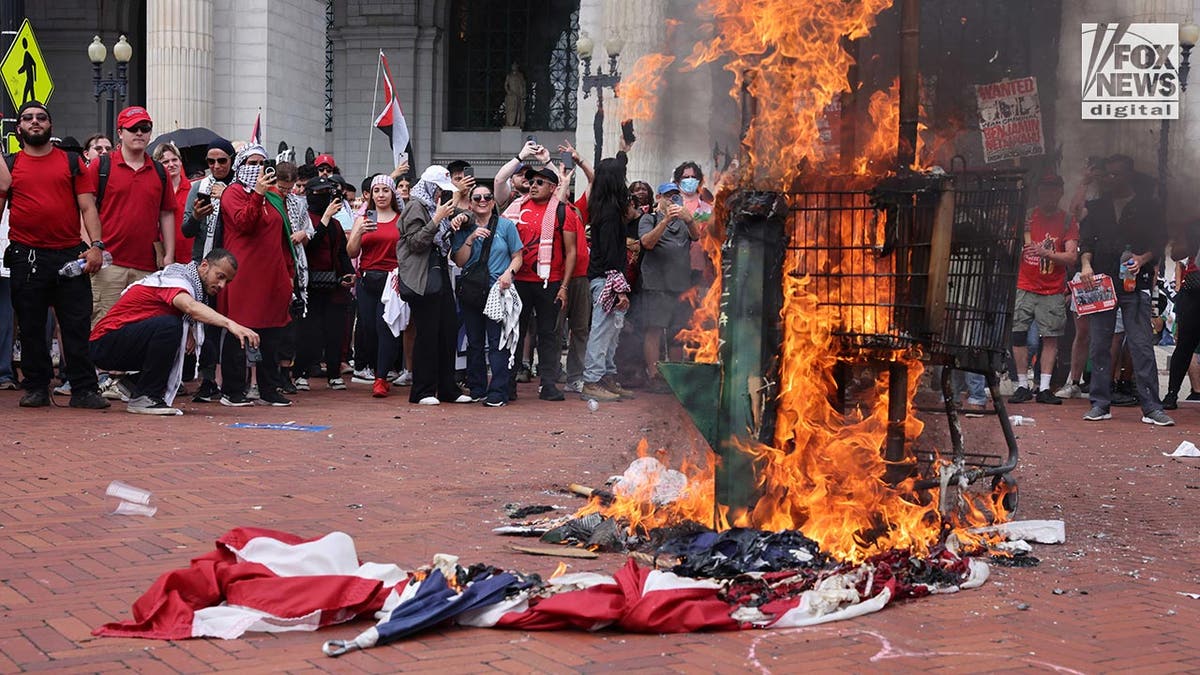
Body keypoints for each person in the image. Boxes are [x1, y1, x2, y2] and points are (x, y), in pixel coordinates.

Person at [1, 100, 108, 409]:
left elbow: (88, 207)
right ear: (19, 128)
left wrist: (97, 246)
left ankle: (84, 389)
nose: (35, 122)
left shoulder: (72, 162)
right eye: (28, 118)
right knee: (33, 327)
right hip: (26, 257)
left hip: (69, 256)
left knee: (76, 326)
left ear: (50, 126)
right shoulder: (9, 165)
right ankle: (35, 387)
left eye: (42, 118)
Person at [89, 249, 258, 415]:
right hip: (105, 342)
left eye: (227, 282)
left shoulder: (195, 286)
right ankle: (146, 396)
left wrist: (190, 331)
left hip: (131, 340)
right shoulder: (178, 277)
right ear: (204, 265)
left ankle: (130, 384)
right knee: (170, 326)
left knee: (204, 352)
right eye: (220, 276)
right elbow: (190, 307)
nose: (221, 285)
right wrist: (230, 324)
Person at [1078, 155, 1173, 425]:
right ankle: (1100, 403)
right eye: (1107, 175)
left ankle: (1152, 407)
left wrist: (1142, 260)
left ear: (1129, 175)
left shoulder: (1148, 207)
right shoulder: (1097, 208)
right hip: (1102, 283)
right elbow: (1086, 243)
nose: (1111, 179)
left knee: (1142, 345)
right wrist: (1086, 265)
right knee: (1099, 344)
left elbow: (1158, 241)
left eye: (1116, 174)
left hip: (1136, 283)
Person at [216, 144, 295, 407]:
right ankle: (233, 390)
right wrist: (257, 194)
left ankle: (269, 388)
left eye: (262, 163)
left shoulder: (274, 196)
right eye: (251, 163)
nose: (258, 168)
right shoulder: (233, 193)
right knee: (239, 331)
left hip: (273, 275)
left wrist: (289, 272)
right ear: (240, 165)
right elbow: (244, 223)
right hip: (244, 275)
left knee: (272, 334)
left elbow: (283, 235)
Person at [88, 106, 176, 327]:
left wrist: (169, 256)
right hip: (107, 263)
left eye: (144, 128)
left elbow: (166, 214)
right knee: (105, 329)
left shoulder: (159, 171)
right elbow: (85, 209)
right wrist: (91, 247)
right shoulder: (102, 165)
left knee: (141, 329)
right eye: (133, 128)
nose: (139, 133)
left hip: (147, 267)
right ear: (120, 132)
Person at [398, 166, 473, 405]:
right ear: (431, 187)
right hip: (421, 277)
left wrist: (456, 219)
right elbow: (415, 242)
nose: (443, 194)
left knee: (447, 329)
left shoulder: (433, 206)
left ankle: (447, 387)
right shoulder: (416, 206)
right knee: (428, 333)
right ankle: (422, 389)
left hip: (438, 271)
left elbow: (464, 217)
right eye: (440, 189)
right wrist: (438, 219)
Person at [1008, 174, 1078, 406]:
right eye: (1045, 189)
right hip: (1025, 285)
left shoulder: (1067, 220)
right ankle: (1021, 385)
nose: (1049, 194)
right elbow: (1009, 245)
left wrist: (1047, 253)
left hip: (1052, 289)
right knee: (1018, 334)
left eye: (1054, 190)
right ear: (1039, 192)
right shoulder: (1026, 217)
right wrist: (1018, 248)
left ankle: (1045, 387)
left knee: (1051, 337)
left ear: (1060, 192)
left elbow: (1071, 256)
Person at [510, 165, 579, 401]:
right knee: (515, 333)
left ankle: (548, 384)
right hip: (518, 280)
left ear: (552, 188)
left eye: (540, 182)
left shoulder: (563, 212)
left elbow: (571, 252)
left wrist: (564, 287)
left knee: (548, 334)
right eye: (532, 182)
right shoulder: (517, 208)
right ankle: (508, 382)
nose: (534, 186)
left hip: (550, 281)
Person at [452, 184, 523, 406]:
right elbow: (460, 261)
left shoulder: (506, 226)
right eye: (477, 197)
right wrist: (471, 238)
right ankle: (477, 387)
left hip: (497, 292)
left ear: (493, 202)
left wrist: (509, 274)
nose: (482, 200)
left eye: (487, 197)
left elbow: (518, 256)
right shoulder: (463, 228)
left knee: (497, 342)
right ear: (470, 203)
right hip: (472, 292)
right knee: (474, 342)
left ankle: (498, 392)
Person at [182, 137, 236, 402]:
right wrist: (196, 216)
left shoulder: (240, 186)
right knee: (207, 322)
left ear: (232, 160)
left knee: (234, 319)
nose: (216, 166)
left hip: (236, 264)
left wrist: (227, 199)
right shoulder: (199, 187)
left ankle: (234, 378)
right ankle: (207, 379)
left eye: (222, 161)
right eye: (211, 161)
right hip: (205, 263)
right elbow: (186, 229)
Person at [580, 156, 635, 402]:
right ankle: (592, 380)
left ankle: (606, 376)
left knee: (611, 332)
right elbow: (612, 254)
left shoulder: (603, 207)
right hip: (607, 280)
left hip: (605, 278)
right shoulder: (611, 212)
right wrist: (620, 289)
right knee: (603, 331)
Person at [295, 176, 354, 391]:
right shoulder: (305, 219)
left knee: (335, 331)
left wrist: (349, 273)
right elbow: (310, 245)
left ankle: (334, 373)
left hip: (334, 286)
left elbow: (341, 252)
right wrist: (325, 218)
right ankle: (301, 373)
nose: (326, 198)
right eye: (320, 193)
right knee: (309, 332)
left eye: (328, 193)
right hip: (310, 285)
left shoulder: (337, 224)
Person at [638, 182, 699, 392]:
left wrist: (688, 218)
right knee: (654, 329)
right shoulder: (649, 219)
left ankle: (673, 375)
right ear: (658, 198)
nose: (672, 200)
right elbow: (647, 243)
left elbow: (697, 235)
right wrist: (665, 219)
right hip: (656, 285)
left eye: (675, 196)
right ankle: (654, 375)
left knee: (677, 332)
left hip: (680, 285)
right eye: (667, 196)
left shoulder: (684, 222)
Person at [347, 174, 404, 398]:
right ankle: (375, 367)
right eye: (377, 190)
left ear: (392, 194)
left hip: (392, 280)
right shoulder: (363, 219)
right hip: (367, 279)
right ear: (370, 195)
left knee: (386, 327)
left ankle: (381, 378)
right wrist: (359, 233)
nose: (381, 195)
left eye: (385, 190)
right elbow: (352, 252)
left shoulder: (401, 218)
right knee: (369, 329)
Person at [153, 142, 193, 265]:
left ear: (180, 162)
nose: (171, 164)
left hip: (189, 255)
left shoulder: (194, 189)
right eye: (165, 162)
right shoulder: (153, 191)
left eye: (174, 160)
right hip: (162, 255)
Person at [503, 63, 527, 127]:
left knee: (519, 109)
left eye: (515, 66)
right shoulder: (509, 76)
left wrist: (523, 93)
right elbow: (506, 85)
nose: (514, 67)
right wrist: (508, 92)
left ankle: (518, 123)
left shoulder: (520, 75)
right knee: (511, 109)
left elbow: (523, 85)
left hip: (519, 94)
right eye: (513, 66)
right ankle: (509, 122)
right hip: (512, 95)